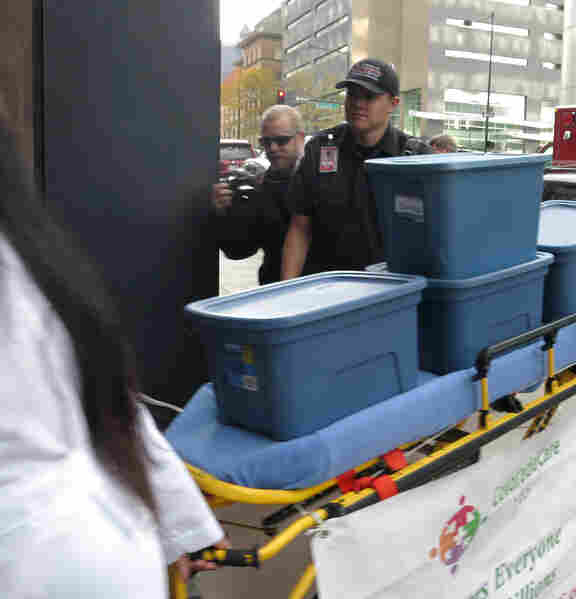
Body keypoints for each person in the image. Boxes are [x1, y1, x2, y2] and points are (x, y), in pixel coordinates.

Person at [0, 111, 227, 594]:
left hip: (43, 561)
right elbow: (119, 414)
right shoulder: (40, 259)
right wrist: (184, 528)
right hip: (112, 548)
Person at [280, 58, 432, 279]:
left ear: (394, 103)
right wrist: (287, 291)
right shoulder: (320, 149)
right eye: (352, 94)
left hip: (391, 292)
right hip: (326, 289)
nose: (358, 103)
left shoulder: (415, 158)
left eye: (369, 96)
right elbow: (300, 228)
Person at [214, 105, 305, 285]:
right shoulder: (260, 187)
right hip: (275, 290)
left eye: (281, 141)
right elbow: (238, 250)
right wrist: (223, 214)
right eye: (266, 142)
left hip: (324, 290)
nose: (272, 148)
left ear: (300, 138)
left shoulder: (324, 182)